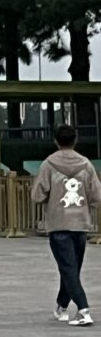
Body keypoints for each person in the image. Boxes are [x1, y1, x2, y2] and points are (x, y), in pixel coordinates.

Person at [31, 124, 101, 326]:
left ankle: (83, 310)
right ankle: (62, 306)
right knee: (71, 267)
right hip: (80, 223)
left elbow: (37, 194)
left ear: (56, 141)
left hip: (58, 222)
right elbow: (96, 195)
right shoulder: (86, 164)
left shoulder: (49, 164)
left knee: (68, 268)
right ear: (75, 140)